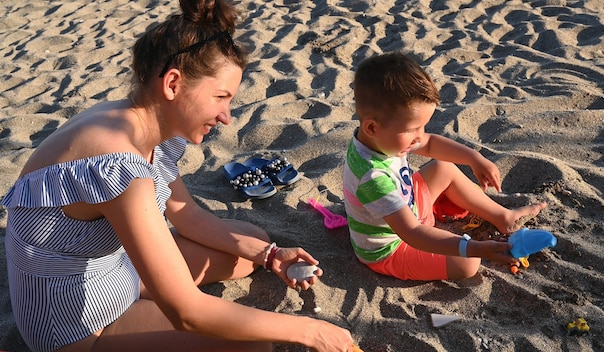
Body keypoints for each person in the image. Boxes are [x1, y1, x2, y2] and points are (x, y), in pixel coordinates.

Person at [1, 1, 354, 351]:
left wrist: (271, 254)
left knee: (247, 250)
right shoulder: (118, 166)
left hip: (114, 271)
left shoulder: (137, 123)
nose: (227, 116)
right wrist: (310, 331)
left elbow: (188, 216)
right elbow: (187, 312)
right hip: (75, 323)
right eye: (220, 97)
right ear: (172, 83)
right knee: (250, 346)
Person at [342, 52, 547, 281]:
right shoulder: (372, 176)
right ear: (371, 127)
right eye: (412, 129)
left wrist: (473, 157)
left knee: (443, 167)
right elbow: (413, 233)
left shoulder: (381, 138)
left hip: (408, 208)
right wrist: (476, 248)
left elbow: (429, 144)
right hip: (392, 247)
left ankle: (503, 216)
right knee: (467, 263)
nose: (419, 137)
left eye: (423, 127)